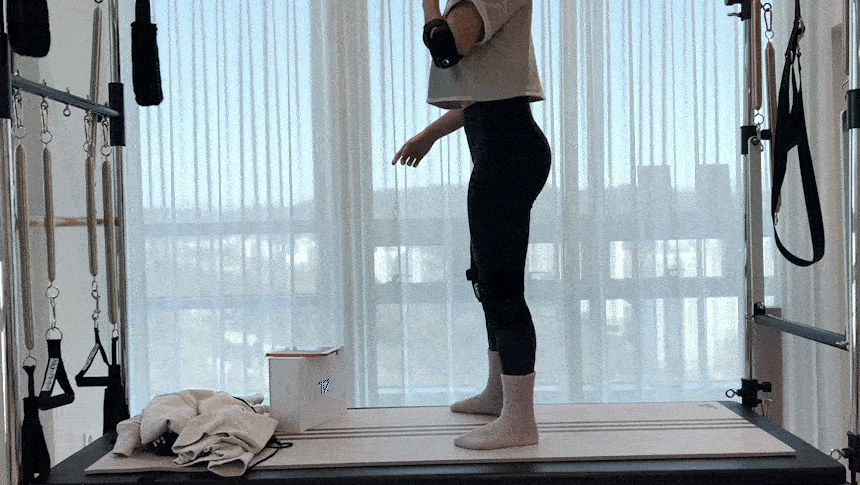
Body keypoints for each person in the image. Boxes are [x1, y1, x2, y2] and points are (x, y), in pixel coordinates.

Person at [392, 0, 551, 450]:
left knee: (502, 286)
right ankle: (499, 394)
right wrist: (428, 134)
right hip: (501, 148)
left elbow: (445, 46)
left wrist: (428, 4)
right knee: (485, 277)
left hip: (507, 154)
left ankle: (519, 421)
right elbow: (485, 95)